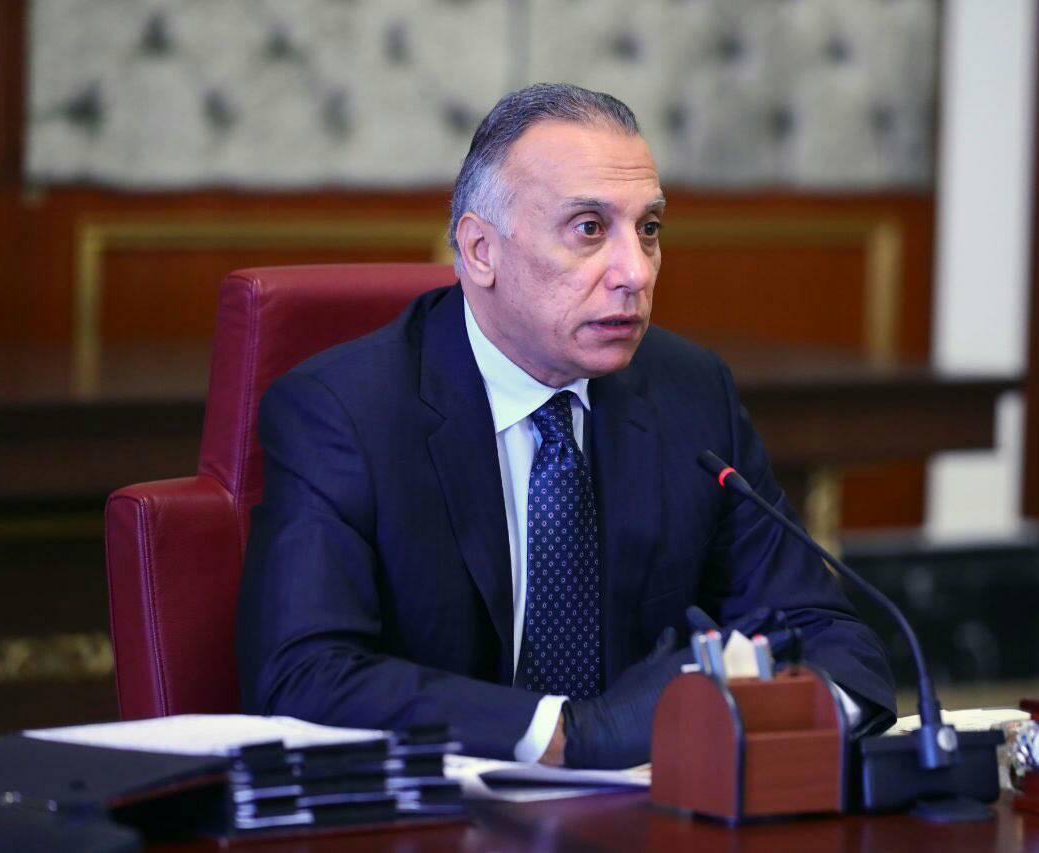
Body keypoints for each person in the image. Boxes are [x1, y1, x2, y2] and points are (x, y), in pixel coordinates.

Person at [237, 83, 896, 768]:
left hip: (653, 804)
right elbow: (302, 674)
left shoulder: (690, 393)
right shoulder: (344, 411)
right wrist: (567, 734)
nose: (635, 272)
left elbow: (832, 639)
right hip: (446, 808)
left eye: (649, 229)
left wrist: (767, 713)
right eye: (589, 228)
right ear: (480, 250)